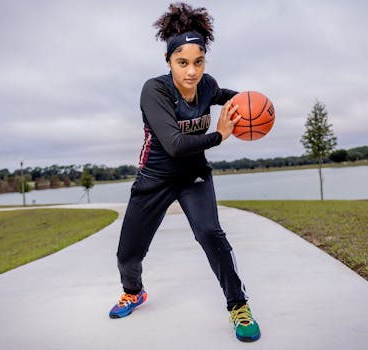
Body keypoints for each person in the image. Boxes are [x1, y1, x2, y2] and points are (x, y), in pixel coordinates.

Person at [109, 2, 261, 342]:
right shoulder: (155, 90)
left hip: (194, 177)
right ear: (168, 61)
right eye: (182, 63)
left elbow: (222, 95)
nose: (191, 71)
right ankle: (134, 292)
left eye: (198, 61)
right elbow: (176, 144)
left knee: (211, 235)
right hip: (154, 178)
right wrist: (220, 135)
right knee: (128, 254)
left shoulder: (207, 85)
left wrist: (253, 103)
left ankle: (239, 305)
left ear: (204, 60)